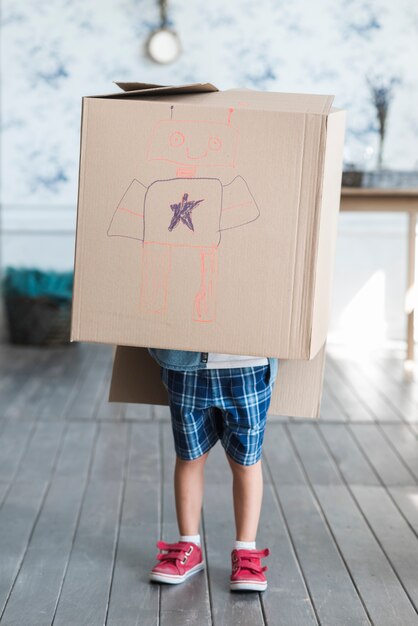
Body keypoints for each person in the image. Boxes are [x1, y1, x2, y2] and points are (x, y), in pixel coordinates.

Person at [147, 347, 279, 592]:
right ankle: (189, 545)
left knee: (246, 462)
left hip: (249, 362)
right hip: (186, 363)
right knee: (189, 456)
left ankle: (246, 549)